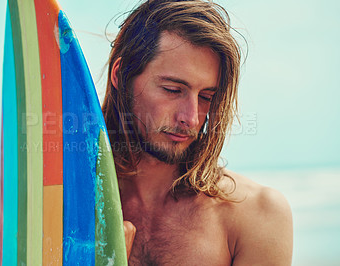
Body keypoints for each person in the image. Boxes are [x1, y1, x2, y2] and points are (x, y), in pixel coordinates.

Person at [101, 0, 293, 265]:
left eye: (206, 96)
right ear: (121, 75)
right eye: (172, 90)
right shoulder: (67, 198)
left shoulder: (255, 215)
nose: (191, 118)